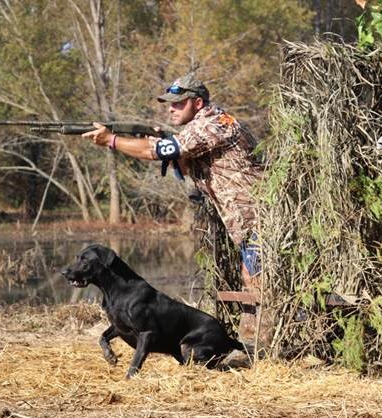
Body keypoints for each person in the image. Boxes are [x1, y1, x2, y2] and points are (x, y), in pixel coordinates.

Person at [82, 73, 263, 288]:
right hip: (249, 218)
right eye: (170, 104)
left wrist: (111, 140)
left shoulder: (211, 125)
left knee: (257, 281)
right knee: (253, 278)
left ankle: (281, 321)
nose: (171, 108)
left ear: (197, 103)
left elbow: (155, 152)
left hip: (256, 217)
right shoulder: (211, 123)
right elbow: (186, 169)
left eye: (178, 103)